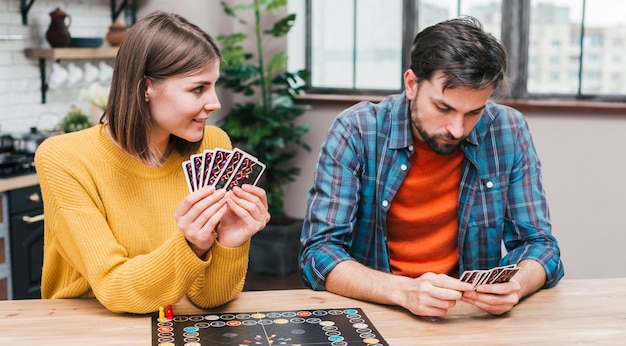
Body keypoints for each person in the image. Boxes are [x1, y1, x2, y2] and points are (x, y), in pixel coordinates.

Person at [299, 17, 564, 317]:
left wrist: (517, 283)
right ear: (411, 84)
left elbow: (540, 246)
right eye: (443, 108)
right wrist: (402, 291)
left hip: (470, 318)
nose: (457, 129)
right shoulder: (356, 130)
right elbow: (318, 254)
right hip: (379, 312)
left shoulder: (507, 129)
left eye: (474, 112)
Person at [35, 11, 270, 314]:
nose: (215, 103)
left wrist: (229, 243)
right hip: (86, 330)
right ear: (147, 87)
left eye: (213, 86)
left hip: (171, 321)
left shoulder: (212, 146)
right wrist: (191, 246)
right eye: (198, 88)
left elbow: (210, 298)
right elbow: (115, 288)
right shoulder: (64, 158)